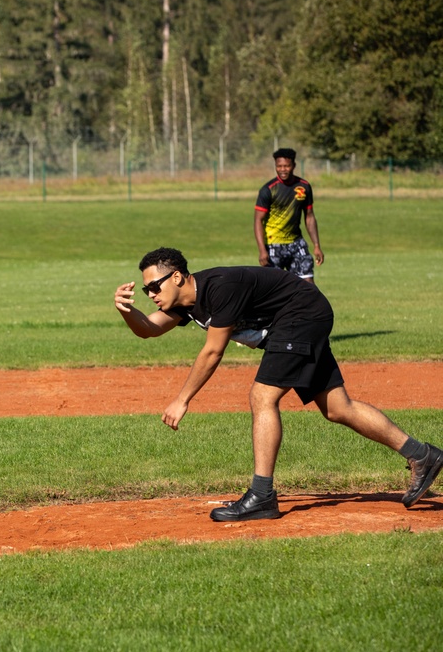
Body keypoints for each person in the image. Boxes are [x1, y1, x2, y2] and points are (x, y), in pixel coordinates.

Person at [113, 247, 441, 522]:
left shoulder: (220, 288)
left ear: (177, 277)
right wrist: (127, 310)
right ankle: (422, 454)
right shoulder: (185, 303)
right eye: (146, 291)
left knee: (262, 397)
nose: (151, 294)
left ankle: (262, 495)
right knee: (339, 408)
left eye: (154, 286)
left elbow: (213, 351)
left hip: (300, 314)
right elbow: (148, 329)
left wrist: (182, 399)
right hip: (300, 317)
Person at [255, 148, 323, 284]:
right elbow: (258, 220)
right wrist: (262, 250)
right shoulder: (268, 189)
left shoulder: (304, 187)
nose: (283, 169)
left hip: (296, 243)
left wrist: (316, 245)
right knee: (274, 289)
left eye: (286, 166)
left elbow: (309, 217)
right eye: (279, 166)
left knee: (308, 286)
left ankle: (308, 306)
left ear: (294, 165)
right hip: (274, 245)